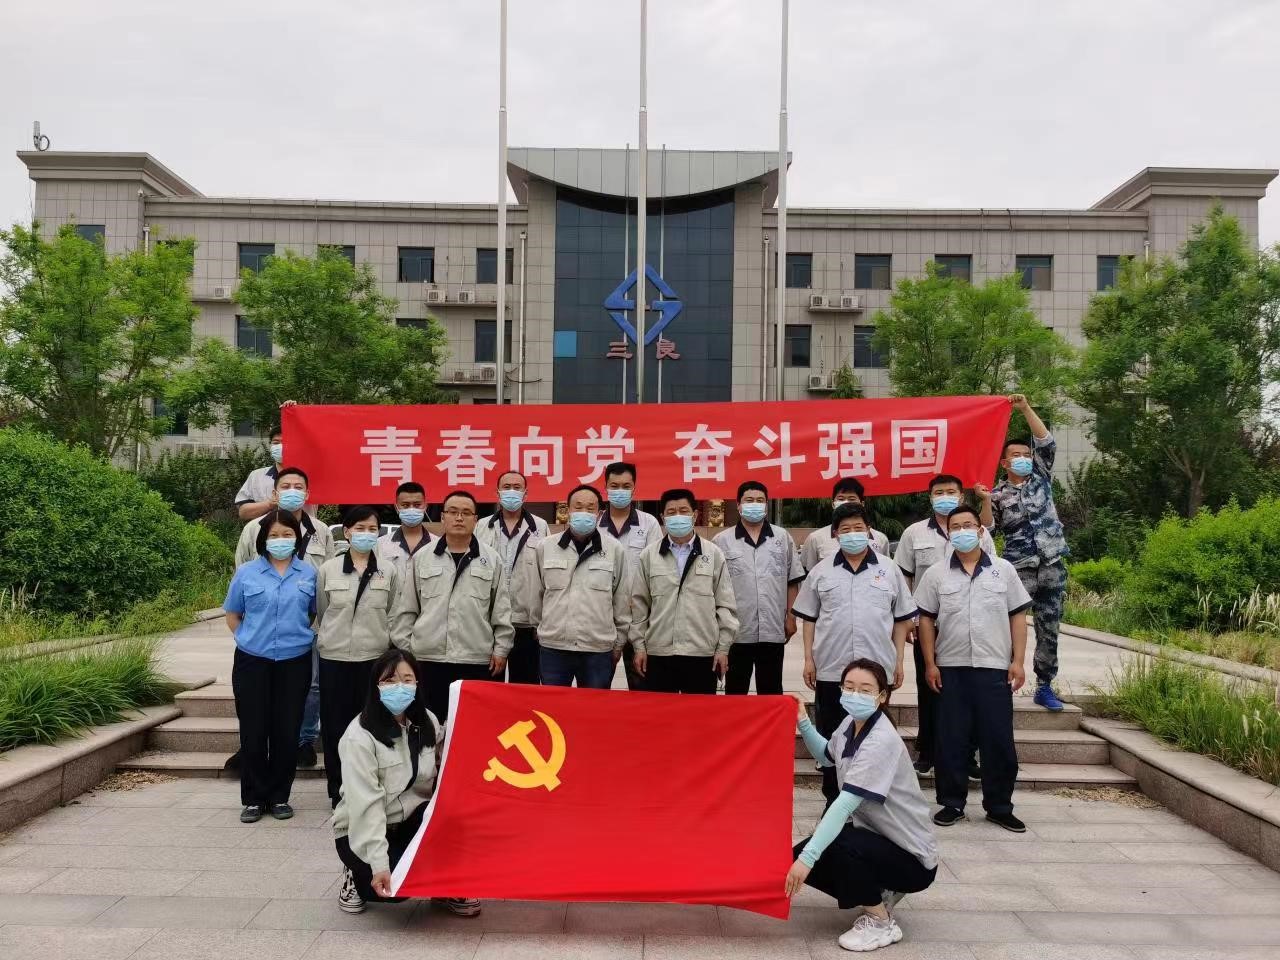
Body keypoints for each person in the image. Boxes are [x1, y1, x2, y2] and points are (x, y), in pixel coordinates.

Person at [787, 658, 939, 953]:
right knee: (803, 857)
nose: (855, 694)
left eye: (865, 690)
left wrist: (807, 858)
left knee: (832, 848)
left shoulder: (881, 740)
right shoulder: (850, 724)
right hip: (880, 839)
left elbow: (844, 805)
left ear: (882, 696)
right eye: (849, 687)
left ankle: (881, 921)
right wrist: (803, 721)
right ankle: (881, 889)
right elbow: (827, 755)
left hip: (913, 857)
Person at [332, 648, 480, 919]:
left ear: (416, 684)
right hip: (364, 828)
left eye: (406, 679)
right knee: (396, 890)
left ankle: (446, 887)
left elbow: (449, 758)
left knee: (455, 819)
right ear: (376, 686)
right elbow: (367, 808)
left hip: (412, 819)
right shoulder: (359, 737)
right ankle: (355, 875)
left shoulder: (427, 721)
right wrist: (379, 864)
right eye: (389, 680)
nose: (399, 687)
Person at [914, 505, 1033, 833]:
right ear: (948, 532)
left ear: (981, 531)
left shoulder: (1003, 570)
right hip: (950, 668)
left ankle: (1000, 806)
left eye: (968, 525)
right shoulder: (936, 574)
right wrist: (930, 663)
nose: (962, 531)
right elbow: (926, 620)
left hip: (994, 668)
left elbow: (1018, 616)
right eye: (956, 526)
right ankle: (952, 803)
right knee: (951, 740)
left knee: (998, 740)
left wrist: (1018, 661)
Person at [792, 502, 916, 803]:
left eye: (858, 528)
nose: (852, 534)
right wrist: (809, 659)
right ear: (835, 534)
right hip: (832, 668)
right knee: (831, 734)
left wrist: (899, 661)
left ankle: (870, 800)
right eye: (845, 529)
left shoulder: (889, 569)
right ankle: (833, 798)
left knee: (875, 736)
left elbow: (901, 620)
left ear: (869, 531)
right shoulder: (821, 572)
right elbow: (809, 619)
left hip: (876, 671)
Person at [233, 466, 334, 768]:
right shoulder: (254, 529)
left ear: (308, 493)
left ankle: (303, 740)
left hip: (304, 628)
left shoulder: (321, 531)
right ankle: (252, 746)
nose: (292, 491)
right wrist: (247, 631)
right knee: (256, 696)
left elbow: (327, 578)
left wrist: (309, 622)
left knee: (311, 687)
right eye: (286, 486)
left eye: (298, 487)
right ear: (274, 493)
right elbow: (241, 571)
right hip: (260, 631)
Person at [895, 474, 996, 775]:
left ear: (961, 496)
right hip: (927, 625)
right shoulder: (914, 533)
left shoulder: (979, 533)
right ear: (930, 497)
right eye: (939, 492)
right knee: (929, 688)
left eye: (951, 492)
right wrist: (909, 619)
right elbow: (904, 579)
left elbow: (991, 575)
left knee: (967, 691)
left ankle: (968, 755)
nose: (945, 497)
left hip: (968, 625)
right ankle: (928, 751)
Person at [223, 509, 317, 824]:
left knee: (287, 730)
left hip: (295, 661)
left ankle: (279, 796)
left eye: (287, 534)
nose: (280, 540)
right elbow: (233, 614)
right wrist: (248, 639)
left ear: (296, 538)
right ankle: (253, 798)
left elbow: (313, 613)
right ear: (263, 539)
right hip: (253, 660)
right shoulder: (247, 573)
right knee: (253, 730)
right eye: (274, 535)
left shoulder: (309, 573)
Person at [980, 394, 1070, 712]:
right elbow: (988, 530)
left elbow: (1046, 442)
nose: (1022, 458)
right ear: (1004, 463)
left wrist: (1025, 408)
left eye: (1025, 454)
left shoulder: (1040, 479)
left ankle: (1044, 686)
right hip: (1018, 568)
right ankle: (1000, 684)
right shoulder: (997, 493)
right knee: (1008, 628)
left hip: (1052, 563)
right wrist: (985, 501)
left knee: (1049, 628)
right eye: (1015, 455)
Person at [392, 490, 513, 723]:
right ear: (442, 517)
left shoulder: (491, 559)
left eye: (466, 513)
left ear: (475, 520)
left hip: (476, 658)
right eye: (453, 512)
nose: (459, 518)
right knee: (428, 725)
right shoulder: (422, 558)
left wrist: (501, 649)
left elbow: (502, 611)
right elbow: (406, 609)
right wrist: (409, 651)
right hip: (428, 659)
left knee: (473, 725)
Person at [315, 505, 401, 809]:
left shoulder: (388, 571)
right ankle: (337, 789)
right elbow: (322, 612)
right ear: (347, 532)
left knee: (373, 725)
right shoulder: (328, 570)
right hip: (335, 658)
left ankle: (370, 786)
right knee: (335, 726)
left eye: (372, 529)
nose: (366, 534)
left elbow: (394, 613)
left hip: (374, 659)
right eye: (360, 528)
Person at [511, 484, 630, 688]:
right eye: (578, 507)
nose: (584, 512)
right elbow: (535, 595)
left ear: (600, 513)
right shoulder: (546, 547)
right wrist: (542, 629)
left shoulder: (614, 549)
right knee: (554, 706)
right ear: (568, 510)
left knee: (594, 706)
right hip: (554, 648)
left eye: (590, 508)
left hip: (597, 649)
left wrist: (619, 642)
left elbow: (621, 599)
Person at [630, 488, 738, 694]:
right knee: (661, 713)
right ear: (663, 518)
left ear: (695, 515)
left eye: (683, 511)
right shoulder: (649, 556)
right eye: (671, 512)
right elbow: (639, 606)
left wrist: (723, 648)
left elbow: (725, 605)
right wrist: (639, 647)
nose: (677, 516)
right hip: (659, 653)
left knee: (698, 713)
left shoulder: (713, 554)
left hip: (701, 653)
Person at [712, 481, 805, 695]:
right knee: (736, 691)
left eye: (760, 500)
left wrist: (791, 618)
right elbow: (714, 588)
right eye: (749, 500)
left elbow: (792, 581)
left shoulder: (782, 538)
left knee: (771, 691)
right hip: (736, 631)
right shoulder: (722, 541)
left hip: (773, 629)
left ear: (766, 504)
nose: (755, 504)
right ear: (738, 505)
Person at [476, 470, 548, 685]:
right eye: (506, 487)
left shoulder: (540, 526)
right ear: (497, 493)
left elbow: (546, 575)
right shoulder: (482, 526)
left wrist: (541, 621)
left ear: (526, 494)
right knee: (490, 687)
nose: (511, 492)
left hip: (526, 624)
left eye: (517, 487)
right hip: (489, 622)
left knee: (525, 688)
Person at [597, 461, 662, 690]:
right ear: (605, 487)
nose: (620, 491)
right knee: (597, 689)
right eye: (614, 486)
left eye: (626, 486)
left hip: (639, 621)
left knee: (642, 689)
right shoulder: (594, 523)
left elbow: (656, 570)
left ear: (634, 488)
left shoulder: (649, 523)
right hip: (603, 620)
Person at [800, 478, 891, 572]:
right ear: (833, 504)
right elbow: (809, 573)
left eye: (852, 499)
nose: (846, 503)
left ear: (862, 504)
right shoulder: (815, 538)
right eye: (841, 499)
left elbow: (886, 569)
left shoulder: (880, 539)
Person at [379, 481, 432, 580]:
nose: (411, 509)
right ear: (396, 508)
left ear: (425, 506)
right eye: (405, 505)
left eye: (417, 505)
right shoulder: (380, 545)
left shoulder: (438, 545)